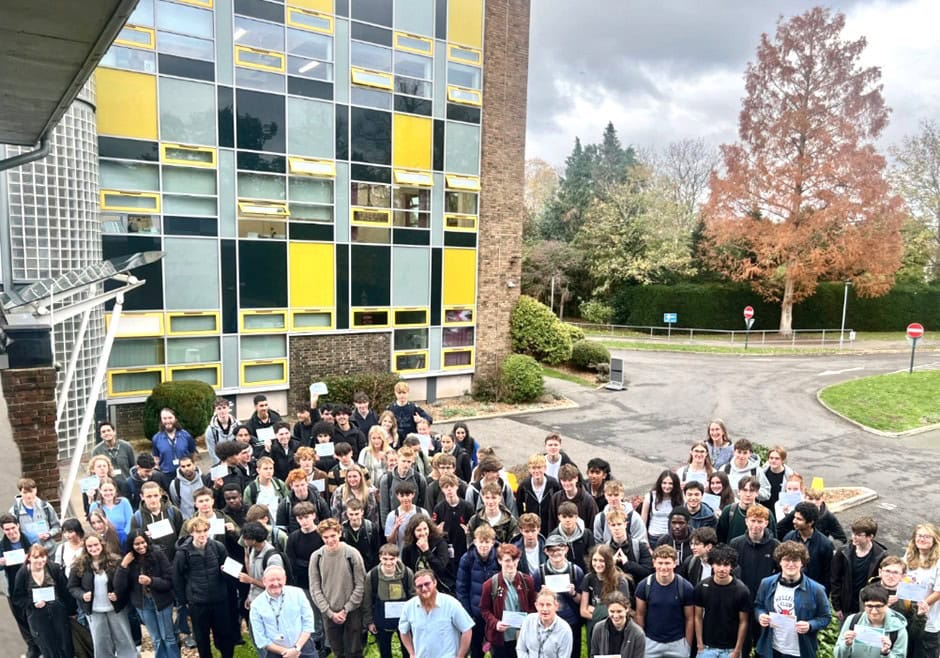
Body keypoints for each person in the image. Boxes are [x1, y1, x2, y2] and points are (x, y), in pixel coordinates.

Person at [754, 541, 831, 658]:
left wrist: (810, 625)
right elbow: (758, 606)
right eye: (786, 560)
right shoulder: (767, 583)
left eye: (795, 560)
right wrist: (760, 615)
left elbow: (825, 617)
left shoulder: (816, 589)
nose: (791, 564)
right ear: (780, 562)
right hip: (771, 649)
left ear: (802, 563)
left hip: (800, 651)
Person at [174, 516, 237, 658]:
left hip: (219, 600)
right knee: (202, 640)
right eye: (198, 532)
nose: (202, 534)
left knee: (225, 637)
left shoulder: (218, 547)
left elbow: (230, 572)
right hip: (198, 602)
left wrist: (225, 572)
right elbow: (177, 578)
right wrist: (184, 601)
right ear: (191, 533)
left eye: (205, 531)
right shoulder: (183, 553)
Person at [68, 534, 136, 658]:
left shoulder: (115, 561)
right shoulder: (79, 564)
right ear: (85, 547)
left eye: (96, 545)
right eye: (90, 546)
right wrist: (82, 595)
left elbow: (125, 583)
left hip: (115, 608)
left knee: (123, 638)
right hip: (94, 610)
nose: (93, 548)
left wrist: (118, 594)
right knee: (101, 642)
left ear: (102, 544)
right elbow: (72, 587)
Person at [114, 530, 180, 658]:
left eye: (143, 542)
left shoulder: (157, 554)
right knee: (156, 638)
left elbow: (169, 580)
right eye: (136, 544)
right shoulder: (129, 559)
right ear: (131, 545)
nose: (141, 546)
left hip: (162, 601)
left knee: (168, 636)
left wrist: (151, 581)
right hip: (143, 604)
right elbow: (119, 587)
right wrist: (123, 565)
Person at [309, 517, 367, 658]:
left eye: (333, 536)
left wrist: (346, 609)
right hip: (329, 612)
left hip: (352, 611)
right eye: (326, 537)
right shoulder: (316, 557)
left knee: (354, 650)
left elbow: (361, 584)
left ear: (340, 533)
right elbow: (315, 588)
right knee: (337, 650)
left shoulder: (352, 554)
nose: (330, 540)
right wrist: (329, 612)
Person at [730, 504, 780, 657]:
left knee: (763, 647)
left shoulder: (775, 546)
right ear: (746, 521)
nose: (756, 525)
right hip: (741, 603)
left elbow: (780, 575)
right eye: (753, 521)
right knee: (741, 646)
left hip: (765, 605)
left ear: (766, 523)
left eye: (760, 521)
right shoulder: (735, 544)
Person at [13, 544, 76, 658]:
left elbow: (65, 591)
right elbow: (18, 598)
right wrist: (32, 603)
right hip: (37, 616)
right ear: (29, 558)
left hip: (58, 612)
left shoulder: (54, 569)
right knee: (47, 645)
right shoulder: (22, 573)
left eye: (43, 556)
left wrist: (71, 611)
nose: (40, 560)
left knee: (65, 644)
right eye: (36, 557)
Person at [635, 545, 695, 658]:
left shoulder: (685, 587)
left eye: (667, 563)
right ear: (654, 563)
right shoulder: (644, 586)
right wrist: (643, 640)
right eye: (660, 563)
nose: (663, 567)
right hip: (650, 642)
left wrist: (687, 645)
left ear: (675, 563)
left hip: (678, 643)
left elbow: (690, 619)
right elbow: (639, 615)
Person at [399, 568, 474, 658]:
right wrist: (411, 653)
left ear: (435, 582)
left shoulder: (451, 603)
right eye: (419, 586)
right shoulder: (409, 607)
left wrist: (460, 656)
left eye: (427, 584)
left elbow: (467, 630)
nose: (424, 588)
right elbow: (403, 631)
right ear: (415, 588)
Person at [693, 543, 751, 658]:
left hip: (730, 650)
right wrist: (700, 645)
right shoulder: (702, 586)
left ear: (732, 566)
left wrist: (737, 650)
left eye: (726, 565)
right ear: (712, 564)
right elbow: (697, 617)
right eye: (718, 564)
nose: (722, 569)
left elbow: (743, 622)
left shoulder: (742, 590)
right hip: (706, 648)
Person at [479, 543, 537, 658]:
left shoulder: (527, 581)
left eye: (514, 559)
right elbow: (484, 609)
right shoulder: (490, 584)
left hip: (521, 636)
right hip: (500, 638)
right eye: (507, 560)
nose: (511, 564)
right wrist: (495, 623)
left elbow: (533, 606)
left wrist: (527, 621)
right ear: (500, 561)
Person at [534, 534, 585, 658]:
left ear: (566, 550)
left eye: (559, 549)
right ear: (546, 551)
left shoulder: (576, 571)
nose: (555, 553)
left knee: (572, 653)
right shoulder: (539, 573)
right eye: (551, 550)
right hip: (549, 622)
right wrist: (542, 595)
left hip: (572, 621)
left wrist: (573, 594)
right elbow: (535, 601)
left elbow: (582, 601)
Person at [250, 564, 317, 658]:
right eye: (271, 580)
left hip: (303, 647)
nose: (276, 583)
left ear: (285, 579)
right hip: (275, 652)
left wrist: (296, 648)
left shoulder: (298, 594)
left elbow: (308, 623)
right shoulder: (256, 605)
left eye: (279, 579)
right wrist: (288, 653)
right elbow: (261, 639)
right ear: (264, 581)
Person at [363, 543, 416, 658]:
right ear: (379, 558)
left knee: (408, 650)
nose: (388, 562)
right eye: (385, 559)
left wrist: (414, 618)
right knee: (385, 651)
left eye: (392, 559)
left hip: (404, 619)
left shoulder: (407, 573)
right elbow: (367, 600)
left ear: (397, 558)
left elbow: (413, 597)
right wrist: (369, 621)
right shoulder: (372, 576)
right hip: (381, 619)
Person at [456, 524, 501, 658]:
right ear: (475, 541)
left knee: (498, 650)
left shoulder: (499, 558)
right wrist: (468, 613)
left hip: (495, 614)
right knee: (476, 650)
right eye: (481, 541)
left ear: (492, 542)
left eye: (487, 542)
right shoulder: (467, 559)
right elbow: (461, 588)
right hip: (475, 614)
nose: (484, 545)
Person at [831, 516, 887, 622]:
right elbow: (835, 580)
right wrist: (837, 606)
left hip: (869, 608)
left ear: (870, 537)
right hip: (846, 607)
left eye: (858, 535)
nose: (853, 537)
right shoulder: (843, 552)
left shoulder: (881, 556)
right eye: (853, 533)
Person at [1, 513, 41, 658]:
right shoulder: (1, 546)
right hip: (14, 588)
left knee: (39, 615)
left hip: (34, 583)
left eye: (13, 528)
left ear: (18, 525)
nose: (11, 532)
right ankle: (33, 647)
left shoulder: (30, 539)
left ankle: (44, 644)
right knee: (22, 619)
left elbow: (43, 555)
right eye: (7, 530)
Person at [835, 584, 908, 658]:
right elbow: (837, 655)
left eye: (878, 606)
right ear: (864, 605)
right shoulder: (852, 620)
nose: (874, 611)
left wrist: (886, 653)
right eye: (869, 606)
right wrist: (846, 645)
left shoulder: (898, 629)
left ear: (886, 605)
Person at [901, 523, 940, 658]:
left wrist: (921, 606)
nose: (922, 539)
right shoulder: (909, 555)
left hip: (928, 621)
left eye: (926, 536)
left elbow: (938, 591)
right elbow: (902, 578)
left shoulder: (938, 562)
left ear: (935, 540)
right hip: (908, 618)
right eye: (919, 535)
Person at [580, 544, 632, 642]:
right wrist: (602, 615)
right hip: (593, 628)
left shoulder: (620, 581)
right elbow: (583, 611)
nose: (597, 564)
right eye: (595, 560)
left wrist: (596, 611)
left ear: (608, 562)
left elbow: (624, 610)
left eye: (601, 560)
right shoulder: (588, 578)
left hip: (614, 628)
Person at [782, 501, 833, 593]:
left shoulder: (825, 544)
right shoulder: (788, 538)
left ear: (810, 522)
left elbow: (828, 574)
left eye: (799, 519)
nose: (794, 521)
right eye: (794, 517)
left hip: (813, 591)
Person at [517, 588, 574, 658]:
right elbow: (521, 648)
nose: (544, 609)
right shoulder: (528, 621)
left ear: (556, 606)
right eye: (541, 605)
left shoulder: (565, 630)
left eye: (548, 605)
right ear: (536, 606)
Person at [717, 475, 776, 544]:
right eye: (744, 490)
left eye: (751, 491)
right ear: (739, 492)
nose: (748, 494)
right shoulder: (729, 511)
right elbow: (720, 538)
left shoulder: (766, 513)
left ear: (757, 493)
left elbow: (773, 539)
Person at [401, 515, 452, 594]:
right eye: (419, 530)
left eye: (425, 529)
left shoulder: (440, 543)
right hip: (419, 586)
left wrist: (426, 551)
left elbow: (441, 567)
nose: (423, 533)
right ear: (413, 532)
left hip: (440, 586)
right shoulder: (408, 548)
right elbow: (407, 571)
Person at [589, 590, 646, 658]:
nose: (615, 616)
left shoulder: (638, 634)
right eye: (612, 611)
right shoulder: (598, 628)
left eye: (619, 611)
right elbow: (593, 654)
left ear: (627, 609)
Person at [378, 446, 428, 522]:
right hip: (394, 521)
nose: (406, 465)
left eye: (409, 462)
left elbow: (424, 504)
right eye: (403, 461)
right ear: (397, 460)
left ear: (413, 462)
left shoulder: (419, 479)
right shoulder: (387, 479)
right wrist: (387, 528)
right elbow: (384, 507)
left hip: (414, 522)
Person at [10, 477, 60, 551]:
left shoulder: (45, 507)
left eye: (31, 491)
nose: (29, 495)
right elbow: (12, 533)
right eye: (25, 492)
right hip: (29, 551)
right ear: (20, 492)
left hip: (49, 549)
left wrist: (49, 534)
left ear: (36, 490)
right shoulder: (14, 511)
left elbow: (57, 526)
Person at [516, 453, 561, 533]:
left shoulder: (553, 485)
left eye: (539, 467)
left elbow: (559, 506)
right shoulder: (524, 486)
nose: (536, 471)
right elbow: (519, 507)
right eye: (533, 468)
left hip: (550, 528)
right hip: (531, 530)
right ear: (529, 469)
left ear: (545, 468)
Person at [607, 508, 654, 583]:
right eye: (613, 525)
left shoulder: (639, 547)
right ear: (609, 526)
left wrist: (627, 564)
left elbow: (648, 572)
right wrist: (611, 563)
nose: (616, 528)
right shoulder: (605, 548)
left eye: (619, 524)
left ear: (625, 524)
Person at [548, 462, 597, 531]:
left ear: (576, 479)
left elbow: (592, 526)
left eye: (570, 480)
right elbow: (551, 524)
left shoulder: (588, 500)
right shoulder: (556, 498)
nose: (567, 483)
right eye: (564, 480)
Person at [88, 476, 134, 548]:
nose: (108, 493)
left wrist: (124, 536)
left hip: (124, 539)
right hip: (104, 542)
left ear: (115, 490)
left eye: (110, 490)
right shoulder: (95, 505)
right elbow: (93, 525)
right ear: (100, 490)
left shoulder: (124, 502)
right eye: (105, 490)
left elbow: (130, 521)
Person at [641, 470, 683, 545]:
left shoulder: (679, 498)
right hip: (653, 538)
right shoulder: (650, 497)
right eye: (664, 483)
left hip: (671, 538)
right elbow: (643, 522)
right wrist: (646, 543)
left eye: (670, 483)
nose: (667, 486)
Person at [548, 500, 595, 567]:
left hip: (584, 573)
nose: (567, 520)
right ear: (559, 517)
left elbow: (592, 558)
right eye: (564, 517)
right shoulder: (553, 536)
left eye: (570, 516)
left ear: (576, 517)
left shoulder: (587, 534)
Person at [150, 408, 196, 476]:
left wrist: (194, 467)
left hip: (185, 473)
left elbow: (193, 454)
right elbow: (156, 458)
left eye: (170, 418)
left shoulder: (186, 435)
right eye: (164, 418)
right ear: (161, 420)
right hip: (166, 474)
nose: (168, 421)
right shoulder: (156, 438)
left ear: (175, 419)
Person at [384, 480, 428, 549]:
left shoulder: (422, 512)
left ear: (413, 494)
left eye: (407, 495)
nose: (405, 498)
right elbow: (390, 541)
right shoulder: (392, 515)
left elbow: (429, 534)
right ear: (397, 496)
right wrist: (395, 528)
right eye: (402, 496)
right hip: (401, 554)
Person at [342, 498, 382, 571]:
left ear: (362, 512)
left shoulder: (370, 528)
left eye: (357, 514)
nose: (354, 517)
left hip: (368, 568)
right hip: (349, 569)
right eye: (351, 514)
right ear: (347, 513)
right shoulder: (342, 530)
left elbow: (376, 551)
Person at [204, 397, 240, 465]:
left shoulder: (238, 425)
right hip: (221, 463)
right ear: (215, 410)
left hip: (237, 461)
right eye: (219, 408)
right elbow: (212, 451)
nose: (222, 411)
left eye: (224, 407)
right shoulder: (210, 430)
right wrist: (220, 464)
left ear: (228, 408)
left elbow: (241, 444)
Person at [169, 454, 205, 518]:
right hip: (187, 520)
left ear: (194, 465)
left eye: (188, 465)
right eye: (183, 466)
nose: (186, 468)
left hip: (204, 517)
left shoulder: (204, 479)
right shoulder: (175, 484)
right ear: (179, 467)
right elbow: (176, 503)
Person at [762, 446, 795, 512]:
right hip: (763, 509)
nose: (773, 461)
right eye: (771, 458)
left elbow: (794, 497)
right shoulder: (762, 472)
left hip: (779, 511)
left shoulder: (789, 475)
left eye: (777, 458)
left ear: (782, 460)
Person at [513, 512, 546, 577]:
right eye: (527, 531)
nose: (530, 535)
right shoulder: (515, 550)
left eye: (533, 531)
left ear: (538, 529)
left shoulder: (547, 548)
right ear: (521, 531)